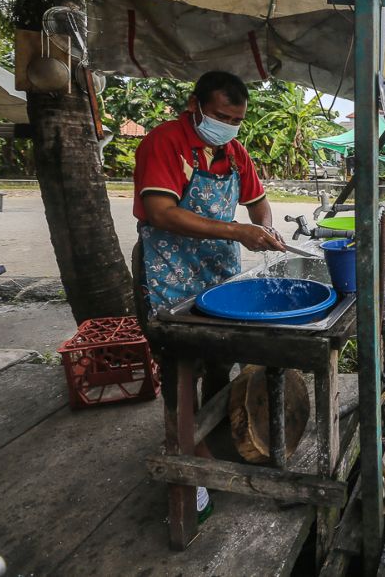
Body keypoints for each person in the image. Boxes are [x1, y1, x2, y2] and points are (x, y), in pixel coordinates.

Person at [130, 70, 286, 521]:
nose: (228, 126)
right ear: (195, 104)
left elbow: (258, 202)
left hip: (218, 276)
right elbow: (161, 212)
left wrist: (265, 227)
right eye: (220, 116)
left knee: (221, 361)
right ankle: (190, 453)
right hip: (169, 275)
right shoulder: (165, 142)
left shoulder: (235, 153)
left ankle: (219, 433)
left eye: (235, 119)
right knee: (181, 369)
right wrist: (237, 230)